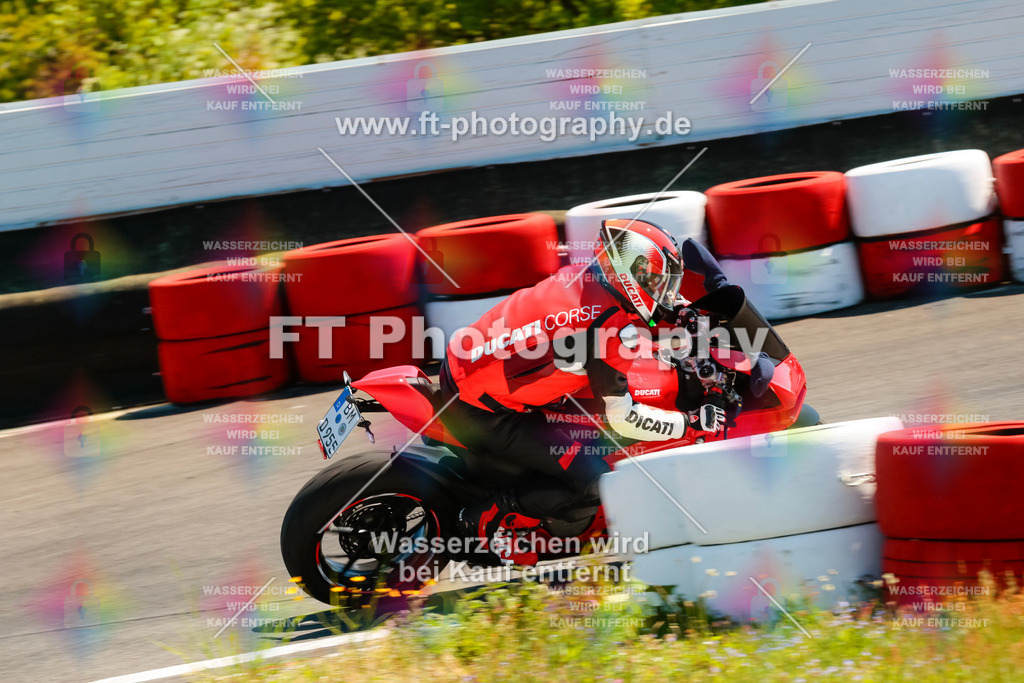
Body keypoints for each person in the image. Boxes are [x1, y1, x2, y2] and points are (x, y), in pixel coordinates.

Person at [437, 218, 762, 563]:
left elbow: (638, 312)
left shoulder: (588, 275)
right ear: (631, 275)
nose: (663, 290)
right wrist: (690, 423)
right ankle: (483, 518)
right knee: (594, 478)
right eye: (658, 281)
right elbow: (623, 419)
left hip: (469, 363)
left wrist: (682, 311)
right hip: (483, 410)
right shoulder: (607, 333)